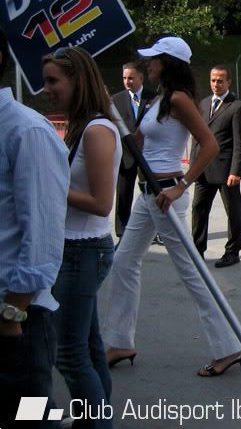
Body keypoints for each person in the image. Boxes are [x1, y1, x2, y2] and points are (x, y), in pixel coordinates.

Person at [103, 37, 241, 377]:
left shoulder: (178, 99)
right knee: (124, 261)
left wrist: (182, 186)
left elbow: (208, 145)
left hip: (166, 192)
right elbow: (143, 142)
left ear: (168, 62)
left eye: (153, 59)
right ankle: (120, 341)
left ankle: (228, 347)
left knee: (192, 274)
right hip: (147, 192)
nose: (147, 64)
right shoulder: (158, 100)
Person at [42, 47, 122, 428]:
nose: (47, 90)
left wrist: (49, 185)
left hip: (82, 251)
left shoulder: (97, 130)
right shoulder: (86, 126)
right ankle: (94, 418)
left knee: (69, 355)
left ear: (77, 80)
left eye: (54, 81)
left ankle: (95, 422)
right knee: (88, 349)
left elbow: (102, 203)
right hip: (77, 250)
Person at [0, 29, 70, 427]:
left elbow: (42, 238)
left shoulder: (27, 132)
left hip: (18, 324)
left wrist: (12, 314)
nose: (47, 90)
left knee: (28, 418)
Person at [191, 66, 241, 268]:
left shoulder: (237, 106)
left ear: (229, 82)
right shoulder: (204, 103)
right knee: (198, 209)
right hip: (203, 169)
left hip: (226, 171)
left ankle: (232, 252)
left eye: (220, 80)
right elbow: (197, 137)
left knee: (232, 212)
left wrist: (236, 170)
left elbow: (240, 142)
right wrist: (193, 164)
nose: (216, 84)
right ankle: (197, 251)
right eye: (213, 80)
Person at [112, 62, 156, 241]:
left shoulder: (154, 97)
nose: (127, 81)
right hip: (126, 155)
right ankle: (122, 231)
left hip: (148, 154)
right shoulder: (116, 100)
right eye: (124, 78)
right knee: (123, 193)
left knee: (152, 194)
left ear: (141, 78)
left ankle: (155, 231)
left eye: (130, 77)